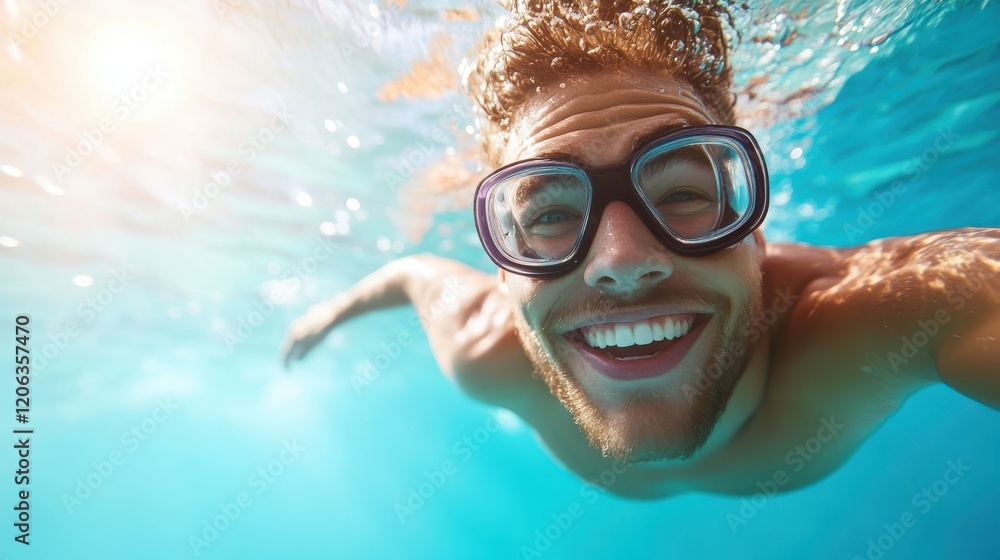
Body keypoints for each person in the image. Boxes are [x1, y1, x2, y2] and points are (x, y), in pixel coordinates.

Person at [281, 0, 998, 499]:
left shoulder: (876, 316)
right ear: (504, 270)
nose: (620, 260)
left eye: (685, 195)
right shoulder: (483, 350)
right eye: (553, 212)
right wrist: (329, 313)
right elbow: (410, 275)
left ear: (755, 232)